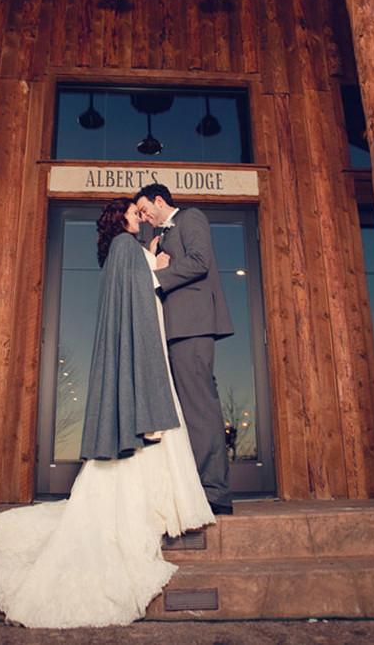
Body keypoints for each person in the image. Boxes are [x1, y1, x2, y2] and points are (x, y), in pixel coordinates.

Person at [0, 198, 214, 629]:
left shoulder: (121, 252)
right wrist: (155, 266)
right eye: (134, 213)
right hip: (147, 356)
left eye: (142, 211)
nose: (140, 217)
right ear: (121, 219)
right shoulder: (126, 249)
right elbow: (140, 306)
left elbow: (139, 294)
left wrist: (153, 261)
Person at [134, 184, 234, 515]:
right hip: (175, 329)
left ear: (159, 200)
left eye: (144, 209)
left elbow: (200, 262)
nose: (143, 216)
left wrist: (158, 275)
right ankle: (195, 488)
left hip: (193, 325)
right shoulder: (158, 236)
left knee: (200, 408)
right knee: (186, 411)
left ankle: (215, 492)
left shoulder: (190, 218)